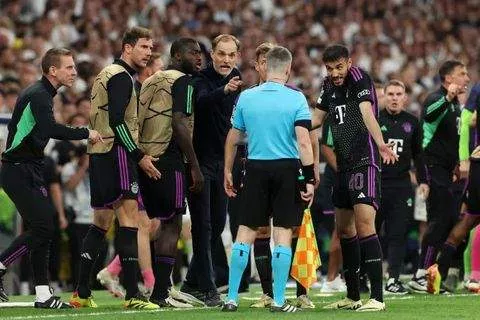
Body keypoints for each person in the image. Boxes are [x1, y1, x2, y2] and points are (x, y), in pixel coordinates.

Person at [0, 48, 102, 308]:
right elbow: (49, 129)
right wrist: (85, 133)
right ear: (52, 70)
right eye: (69, 67)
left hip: (28, 169)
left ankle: (43, 294)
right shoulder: (39, 95)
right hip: (18, 169)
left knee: (42, 230)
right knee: (43, 228)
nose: (74, 72)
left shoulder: (43, 93)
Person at [69, 26, 160, 310]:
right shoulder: (121, 77)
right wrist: (138, 155)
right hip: (117, 152)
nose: (148, 52)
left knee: (101, 223)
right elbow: (120, 122)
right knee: (130, 221)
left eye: (150, 48)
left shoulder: (106, 74)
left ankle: (81, 292)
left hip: (98, 153)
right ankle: (134, 294)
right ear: (127, 48)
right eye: (144, 47)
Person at [221, 46, 314, 313]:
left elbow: (233, 137)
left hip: (255, 168)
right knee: (282, 233)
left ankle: (232, 299)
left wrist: (228, 170)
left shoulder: (247, 97)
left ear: (265, 66)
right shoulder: (296, 99)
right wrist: (308, 178)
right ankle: (278, 300)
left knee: (245, 231)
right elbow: (305, 143)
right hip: (286, 169)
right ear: (287, 69)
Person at [311, 44, 397, 312]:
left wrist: (381, 143)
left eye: (339, 66)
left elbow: (366, 112)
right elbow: (316, 119)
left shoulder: (360, 78)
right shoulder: (327, 85)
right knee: (345, 229)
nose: (335, 73)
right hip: (342, 166)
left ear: (349, 62)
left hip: (364, 162)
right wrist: (288, 122)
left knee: (364, 226)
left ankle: (378, 299)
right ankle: (352, 295)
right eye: (330, 68)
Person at [136, 37, 204, 307]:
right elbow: (179, 123)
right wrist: (195, 165)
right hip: (169, 157)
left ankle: (158, 289)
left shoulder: (152, 79)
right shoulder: (184, 82)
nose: (199, 57)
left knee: (157, 223)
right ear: (177, 55)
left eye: (201, 53)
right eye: (193, 52)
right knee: (172, 222)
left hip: (147, 158)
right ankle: (162, 292)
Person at [96, 51, 165, 299]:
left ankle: (114, 269)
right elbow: (122, 125)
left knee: (150, 226)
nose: (162, 74)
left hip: (140, 163)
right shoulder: (132, 89)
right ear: (148, 72)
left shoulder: (149, 93)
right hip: (129, 162)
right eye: (159, 69)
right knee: (141, 225)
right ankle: (149, 282)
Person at [180, 34, 242, 307]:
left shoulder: (236, 77)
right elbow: (199, 103)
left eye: (231, 55)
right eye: (222, 54)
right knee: (202, 227)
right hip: (199, 161)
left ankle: (190, 283)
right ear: (212, 55)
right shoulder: (199, 80)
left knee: (216, 226)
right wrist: (224, 92)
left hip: (223, 162)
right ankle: (208, 287)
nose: (226, 59)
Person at [407, 60, 470, 293]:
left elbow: (451, 139)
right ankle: (421, 274)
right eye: (462, 74)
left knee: (449, 221)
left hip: (446, 170)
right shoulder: (436, 99)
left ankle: (434, 273)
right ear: (448, 78)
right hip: (431, 168)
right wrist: (446, 98)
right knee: (438, 221)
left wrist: (455, 164)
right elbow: (428, 116)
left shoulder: (456, 106)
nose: (467, 78)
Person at [425, 68, 480, 294]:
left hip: (476, 161)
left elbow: (470, 119)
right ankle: (473, 276)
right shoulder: (476, 90)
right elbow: (468, 119)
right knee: (467, 219)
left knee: (469, 219)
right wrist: (464, 160)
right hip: (474, 162)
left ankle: (440, 270)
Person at [376, 80, 428, 294]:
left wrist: (424, 180)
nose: (395, 98)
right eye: (391, 94)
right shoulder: (374, 120)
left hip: (401, 185)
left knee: (398, 233)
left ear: (405, 97)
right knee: (371, 232)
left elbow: (418, 155)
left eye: (399, 94)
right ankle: (362, 275)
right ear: (384, 96)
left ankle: (393, 279)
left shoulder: (412, 123)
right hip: (376, 184)